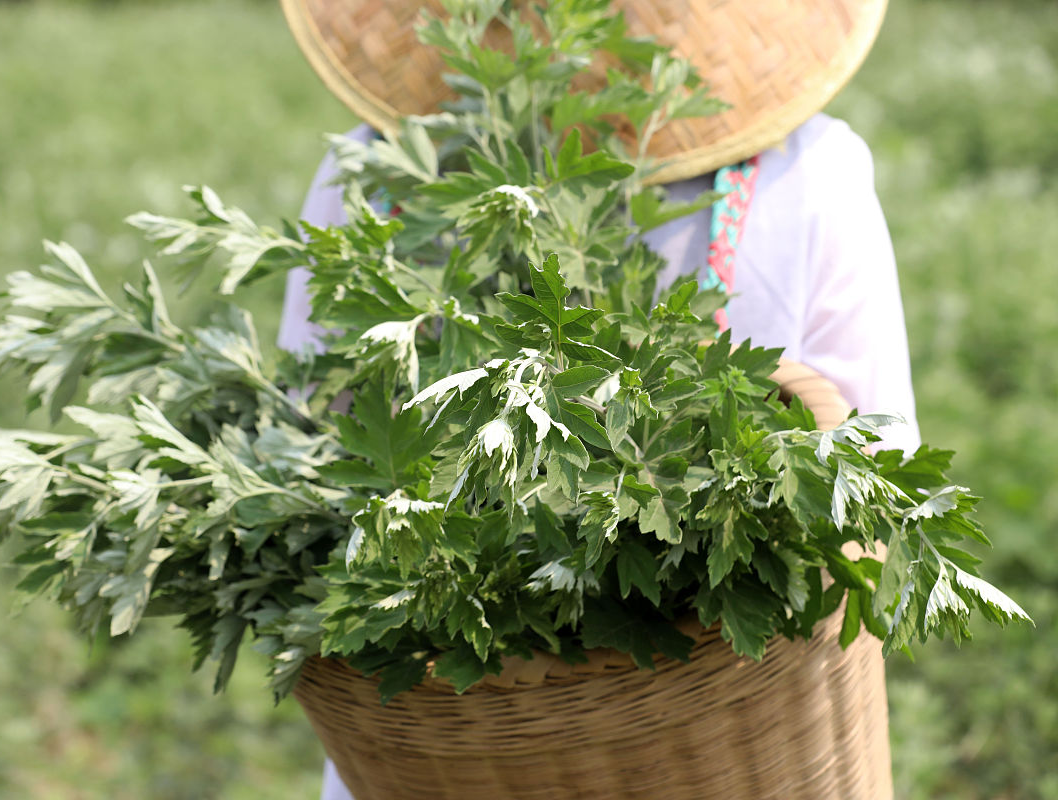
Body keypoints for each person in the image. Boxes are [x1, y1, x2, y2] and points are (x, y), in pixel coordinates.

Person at [277, 2, 918, 797]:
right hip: (727, 742)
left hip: (448, 740)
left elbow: (307, 447)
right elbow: (878, 475)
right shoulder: (805, 173)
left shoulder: (377, 167)